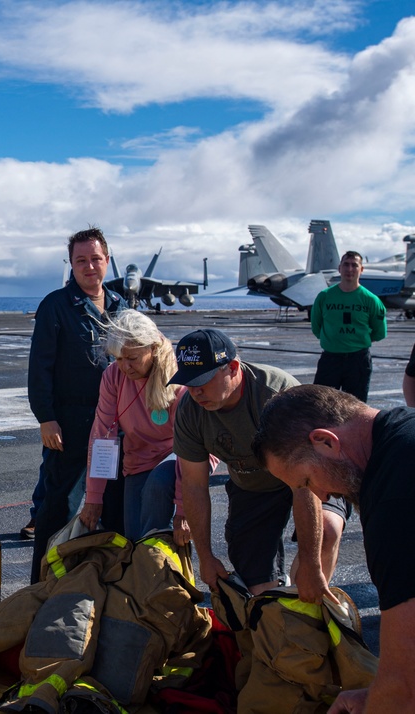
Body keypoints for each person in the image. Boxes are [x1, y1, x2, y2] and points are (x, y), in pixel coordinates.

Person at [252, 384, 415, 714]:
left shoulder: (395, 505)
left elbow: (404, 687)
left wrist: (386, 696)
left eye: (307, 483)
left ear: (326, 441)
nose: (322, 497)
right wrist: (373, 695)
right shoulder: (403, 430)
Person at [169, 328, 345, 601]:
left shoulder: (277, 397)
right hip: (254, 484)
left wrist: (310, 563)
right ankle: (277, 614)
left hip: (314, 474)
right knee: (258, 589)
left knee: (326, 532)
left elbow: (304, 485)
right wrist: (205, 556)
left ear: (233, 367)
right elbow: (193, 483)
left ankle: (309, 620)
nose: (196, 391)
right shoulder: (190, 410)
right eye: (189, 382)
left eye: (203, 380)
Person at [27, 227, 125, 583]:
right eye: (80, 260)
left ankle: (104, 583)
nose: (89, 266)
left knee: (112, 507)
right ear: (71, 264)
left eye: (95, 259)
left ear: (107, 261)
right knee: (60, 507)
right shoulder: (56, 306)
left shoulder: (121, 306)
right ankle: (42, 587)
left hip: (115, 424)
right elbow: (40, 368)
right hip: (70, 421)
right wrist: (47, 418)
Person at [78, 309, 192, 541]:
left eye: (132, 358)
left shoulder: (178, 381)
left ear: (152, 349)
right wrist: (93, 497)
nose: (125, 367)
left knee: (158, 486)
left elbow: (194, 448)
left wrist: (183, 508)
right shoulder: (113, 376)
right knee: (133, 537)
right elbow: (103, 436)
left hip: (180, 456)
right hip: (138, 459)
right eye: (119, 358)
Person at [310, 251, 386, 402]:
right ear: (339, 268)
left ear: (361, 270)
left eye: (354, 265)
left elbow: (379, 332)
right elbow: (316, 326)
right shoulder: (325, 297)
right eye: (346, 264)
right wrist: (333, 340)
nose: (349, 269)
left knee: (356, 408)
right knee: (320, 405)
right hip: (330, 360)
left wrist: (355, 341)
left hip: (358, 360)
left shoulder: (371, 300)